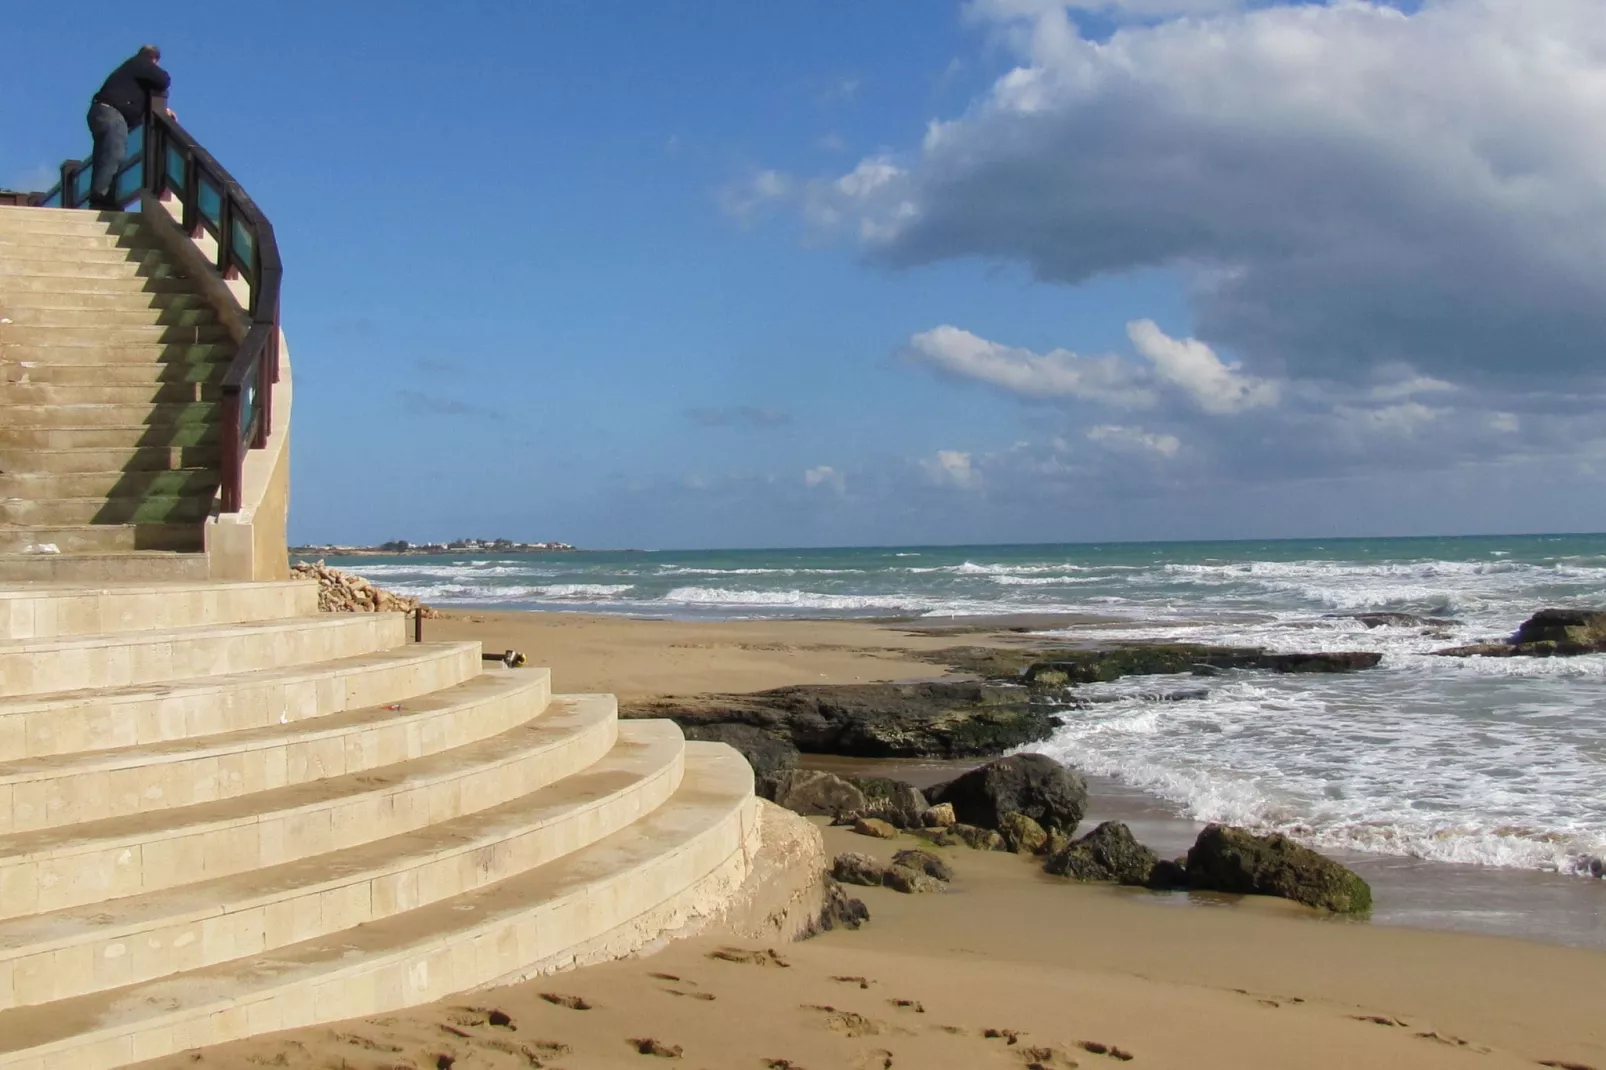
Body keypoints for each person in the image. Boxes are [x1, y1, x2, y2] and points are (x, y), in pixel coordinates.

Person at [86, 45, 171, 210]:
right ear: (154, 59)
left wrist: (162, 110)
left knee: (104, 155)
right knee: (114, 153)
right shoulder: (141, 62)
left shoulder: (132, 69)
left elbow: (139, 100)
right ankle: (103, 199)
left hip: (99, 110)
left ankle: (100, 198)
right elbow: (163, 80)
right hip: (111, 112)